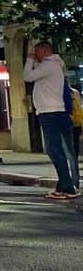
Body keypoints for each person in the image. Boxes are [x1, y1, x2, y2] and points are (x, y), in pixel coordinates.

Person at [23, 41, 77, 199]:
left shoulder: (48, 65)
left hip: (50, 113)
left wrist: (29, 61)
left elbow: (28, 76)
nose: (35, 55)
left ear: (45, 51)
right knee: (58, 150)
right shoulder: (54, 65)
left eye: (37, 51)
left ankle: (67, 187)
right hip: (55, 111)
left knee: (54, 150)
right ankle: (63, 186)